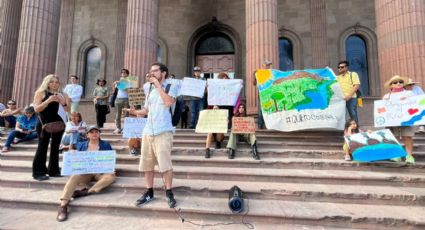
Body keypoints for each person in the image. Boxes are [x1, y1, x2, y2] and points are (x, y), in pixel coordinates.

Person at [130, 62, 178, 208]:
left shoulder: (171, 86)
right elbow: (146, 109)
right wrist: (135, 112)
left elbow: (169, 102)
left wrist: (158, 85)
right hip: (148, 131)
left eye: (155, 71)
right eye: (151, 71)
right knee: (147, 164)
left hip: (163, 131)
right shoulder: (149, 89)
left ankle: (169, 192)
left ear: (163, 73)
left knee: (165, 165)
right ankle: (149, 191)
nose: (151, 73)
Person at [56, 125, 116, 222]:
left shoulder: (105, 145)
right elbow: (73, 154)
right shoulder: (81, 145)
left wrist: (110, 168)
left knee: (111, 177)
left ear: (99, 134)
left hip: (100, 172)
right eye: (91, 132)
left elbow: (109, 159)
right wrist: (73, 152)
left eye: (96, 132)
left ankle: (87, 191)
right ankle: (63, 205)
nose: (94, 134)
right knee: (74, 177)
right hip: (85, 172)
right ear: (87, 135)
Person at [32, 74, 70, 181]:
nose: (54, 84)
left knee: (55, 147)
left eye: (56, 82)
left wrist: (62, 102)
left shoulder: (63, 94)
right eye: (51, 82)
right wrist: (49, 100)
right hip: (44, 124)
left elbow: (68, 110)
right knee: (42, 147)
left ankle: (54, 170)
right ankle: (38, 172)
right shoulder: (41, 92)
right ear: (47, 83)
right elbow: (37, 109)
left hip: (58, 123)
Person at [383, 75, 415, 164]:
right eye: (395, 82)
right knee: (394, 137)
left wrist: (407, 100)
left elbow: (415, 104)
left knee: (407, 136)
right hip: (392, 120)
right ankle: (396, 155)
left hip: (407, 119)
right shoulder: (386, 96)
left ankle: (409, 156)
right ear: (391, 85)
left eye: (400, 82)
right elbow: (382, 109)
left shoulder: (409, 93)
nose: (398, 83)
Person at [336, 60, 361, 125]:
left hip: (351, 98)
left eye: (342, 67)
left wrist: (349, 96)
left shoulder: (353, 74)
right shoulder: (337, 77)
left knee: (353, 114)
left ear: (346, 67)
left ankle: (356, 130)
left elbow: (356, 85)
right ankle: (344, 131)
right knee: (341, 115)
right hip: (341, 99)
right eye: (339, 67)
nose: (340, 69)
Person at [253, 60, 272, 129]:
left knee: (271, 108)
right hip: (262, 93)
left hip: (270, 93)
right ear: (263, 65)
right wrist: (254, 74)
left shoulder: (272, 72)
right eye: (267, 65)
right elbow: (254, 83)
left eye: (269, 65)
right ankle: (260, 124)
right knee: (261, 109)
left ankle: (270, 125)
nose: (268, 66)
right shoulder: (259, 73)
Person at [112, 68, 130, 134]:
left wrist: (120, 84)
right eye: (122, 72)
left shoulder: (129, 81)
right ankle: (118, 128)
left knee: (126, 114)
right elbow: (115, 91)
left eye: (124, 72)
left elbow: (127, 90)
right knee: (117, 115)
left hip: (126, 99)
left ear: (127, 74)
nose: (123, 73)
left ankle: (126, 128)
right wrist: (114, 85)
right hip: (118, 98)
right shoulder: (119, 81)